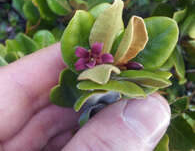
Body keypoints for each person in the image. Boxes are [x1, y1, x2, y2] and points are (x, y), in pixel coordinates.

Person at [0, 43, 171, 151]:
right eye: (92, 57)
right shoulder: (87, 60)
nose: (94, 58)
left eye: (96, 57)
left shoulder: (105, 58)